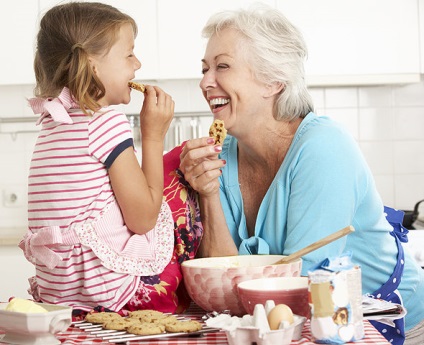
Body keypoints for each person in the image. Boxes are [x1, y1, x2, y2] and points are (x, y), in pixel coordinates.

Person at [177, 4, 424, 345]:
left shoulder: (323, 147)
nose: (205, 82)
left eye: (222, 66)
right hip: (284, 323)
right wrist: (206, 193)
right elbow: (219, 280)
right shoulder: (222, 154)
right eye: (205, 68)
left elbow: (301, 286)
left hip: (391, 326)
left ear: (274, 80)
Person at [19, 2, 202, 316]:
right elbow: (143, 219)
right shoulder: (105, 121)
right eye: (129, 53)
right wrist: (153, 135)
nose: (138, 63)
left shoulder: (51, 123)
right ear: (92, 64)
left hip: (58, 294)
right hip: (112, 292)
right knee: (180, 175)